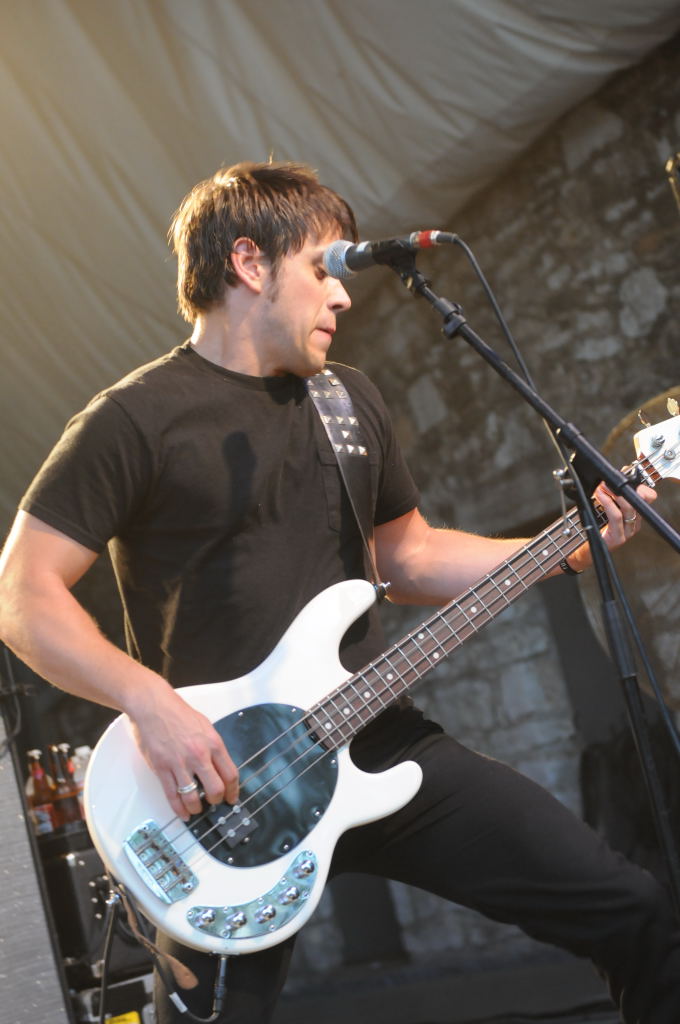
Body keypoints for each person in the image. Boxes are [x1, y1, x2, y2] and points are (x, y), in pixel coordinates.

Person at [0, 161, 677, 1024]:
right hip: (219, 791)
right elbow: (22, 594)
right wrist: (150, 704)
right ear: (249, 262)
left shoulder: (347, 400)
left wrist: (564, 551)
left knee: (637, 913)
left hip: (373, 738)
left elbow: (409, 558)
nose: (344, 295)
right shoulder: (133, 419)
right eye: (323, 267)